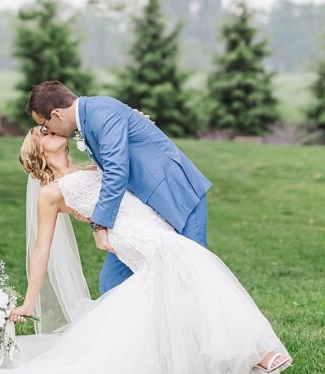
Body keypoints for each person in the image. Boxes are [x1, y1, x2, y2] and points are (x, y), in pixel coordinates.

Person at [0, 123, 291, 374]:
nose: (53, 130)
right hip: (138, 239)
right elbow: (41, 250)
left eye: (52, 125)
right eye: (44, 130)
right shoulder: (51, 193)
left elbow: (123, 167)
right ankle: (260, 354)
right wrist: (28, 299)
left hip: (148, 225)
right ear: (38, 148)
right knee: (195, 269)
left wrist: (140, 125)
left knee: (179, 292)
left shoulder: (91, 169)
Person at [26, 82, 212, 295]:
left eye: (44, 125)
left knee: (191, 275)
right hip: (139, 214)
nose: (47, 130)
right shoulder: (90, 117)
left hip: (176, 194)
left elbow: (116, 172)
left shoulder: (101, 113)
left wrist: (99, 225)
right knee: (112, 285)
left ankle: (202, 327)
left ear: (57, 114)